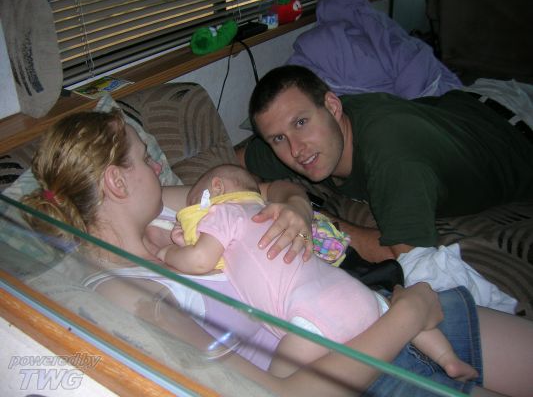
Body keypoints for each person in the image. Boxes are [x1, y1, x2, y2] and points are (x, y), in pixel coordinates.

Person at [20, 109, 533, 396]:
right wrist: (410, 314)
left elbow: (265, 187)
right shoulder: (132, 297)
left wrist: (296, 210)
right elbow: (280, 395)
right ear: (115, 181)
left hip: (370, 309)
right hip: (366, 368)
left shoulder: (159, 214)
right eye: (145, 158)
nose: (159, 167)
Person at [158, 163, 478, 380]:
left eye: (193, 204)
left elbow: (200, 260)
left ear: (215, 190)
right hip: (354, 292)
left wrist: (168, 252)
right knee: (390, 309)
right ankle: (447, 358)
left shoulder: (223, 212)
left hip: (311, 317)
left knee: (275, 380)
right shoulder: (263, 211)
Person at [238, 65, 533, 265]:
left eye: (301, 122)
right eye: (278, 138)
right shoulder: (303, 140)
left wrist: (313, 219)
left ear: (333, 106)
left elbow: (406, 255)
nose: (296, 149)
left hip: (518, 123)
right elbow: (231, 162)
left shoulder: (393, 154)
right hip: (461, 106)